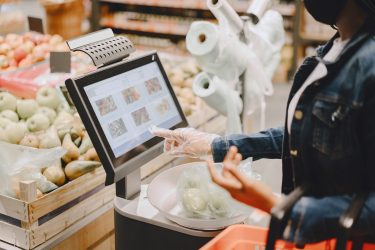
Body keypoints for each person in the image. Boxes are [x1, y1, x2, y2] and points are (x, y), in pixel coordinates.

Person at [153, 0, 375, 245]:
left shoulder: (369, 66)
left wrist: (274, 203)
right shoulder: (336, 47)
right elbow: (310, 134)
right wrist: (214, 144)